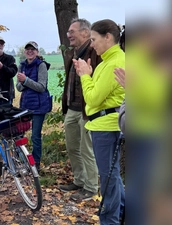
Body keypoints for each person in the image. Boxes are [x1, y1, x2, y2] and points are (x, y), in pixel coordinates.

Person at [73, 19, 125, 224]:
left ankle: (110, 221)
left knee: (109, 179)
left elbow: (93, 99)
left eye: (94, 39)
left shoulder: (114, 63)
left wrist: (85, 76)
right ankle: (123, 214)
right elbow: (96, 93)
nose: (92, 44)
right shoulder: (107, 62)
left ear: (108, 37)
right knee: (113, 177)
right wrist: (89, 76)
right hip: (104, 125)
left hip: (106, 127)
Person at [58, 18, 101, 202]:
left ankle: (91, 187)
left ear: (85, 32)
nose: (68, 35)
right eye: (68, 32)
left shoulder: (95, 53)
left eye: (71, 31)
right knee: (72, 147)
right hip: (72, 109)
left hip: (87, 110)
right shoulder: (74, 54)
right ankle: (79, 180)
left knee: (87, 149)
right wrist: (66, 105)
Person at [16, 41, 50, 171]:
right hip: (25, 105)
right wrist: (24, 82)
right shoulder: (22, 65)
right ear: (25, 52)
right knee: (19, 133)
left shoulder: (41, 66)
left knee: (35, 136)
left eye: (33, 49)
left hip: (39, 106)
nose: (30, 51)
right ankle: (22, 158)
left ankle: (36, 163)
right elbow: (18, 87)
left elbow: (41, 87)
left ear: (37, 52)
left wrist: (26, 80)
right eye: (27, 49)